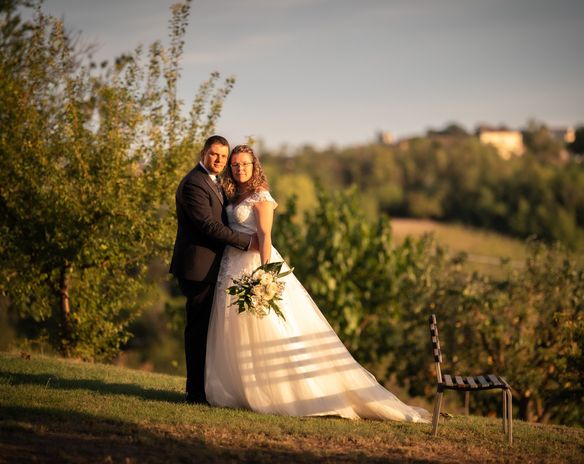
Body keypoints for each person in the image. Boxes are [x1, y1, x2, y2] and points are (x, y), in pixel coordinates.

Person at [204, 145, 431, 423]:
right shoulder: (234, 193)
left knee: (271, 327)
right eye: (236, 165)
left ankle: (281, 393)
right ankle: (240, 391)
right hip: (231, 265)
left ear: (255, 166)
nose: (240, 169)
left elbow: (265, 236)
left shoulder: (261, 196)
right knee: (236, 328)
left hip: (254, 264)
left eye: (245, 165)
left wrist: (265, 274)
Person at [170, 135, 255, 404]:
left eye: (222, 156)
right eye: (214, 154)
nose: (218, 160)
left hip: (213, 268)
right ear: (204, 152)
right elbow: (209, 226)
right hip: (198, 269)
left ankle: (206, 390)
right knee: (197, 332)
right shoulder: (194, 183)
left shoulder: (215, 182)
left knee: (208, 331)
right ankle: (194, 393)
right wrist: (246, 241)